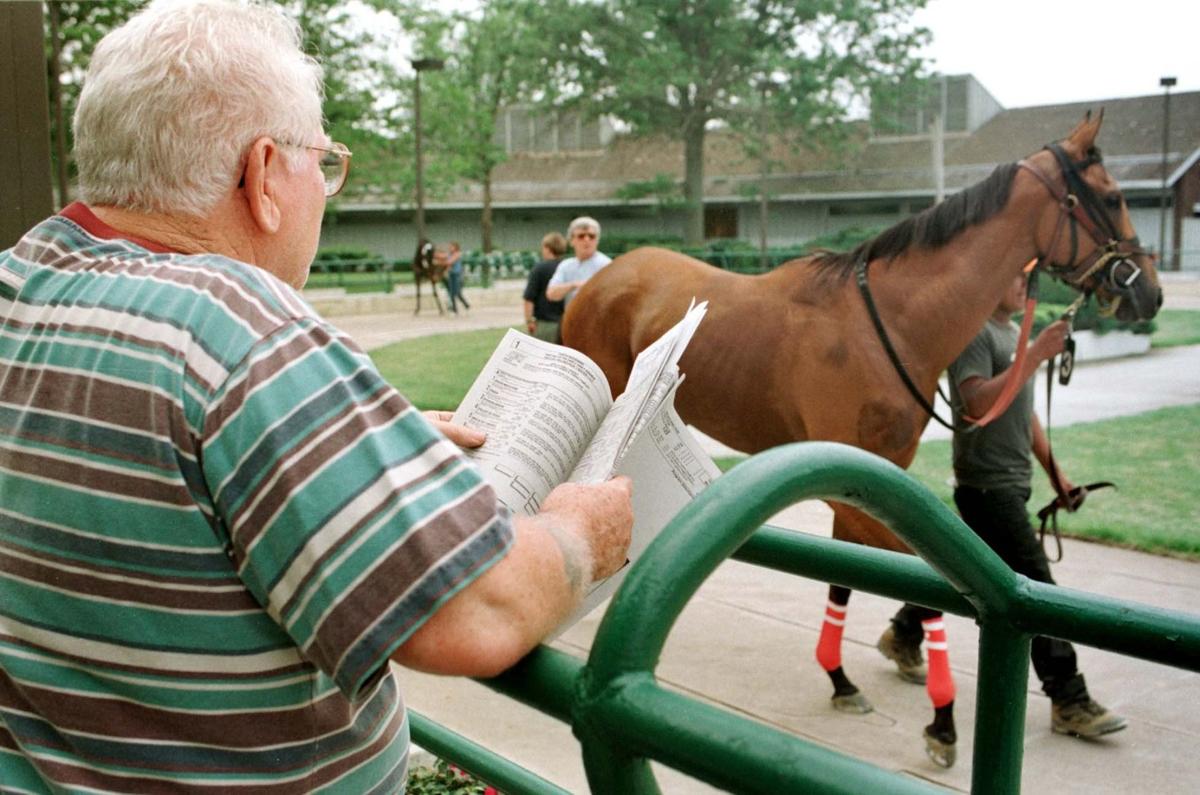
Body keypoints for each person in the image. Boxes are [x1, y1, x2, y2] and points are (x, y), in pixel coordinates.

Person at [0, 1, 633, 790]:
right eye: (323, 162)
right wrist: (580, 533)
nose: (324, 191)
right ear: (263, 175)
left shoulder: (20, 279)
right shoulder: (243, 326)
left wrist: (350, 443)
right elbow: (475, 612)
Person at [878, 274, 1127, 739]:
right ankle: (1068, 698)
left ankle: (903, 633)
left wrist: (1057, 474)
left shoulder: (1013, 334)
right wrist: (1035, 356)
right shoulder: (976, 335)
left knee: (961, 572)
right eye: (1012, 275)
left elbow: (1022, 408)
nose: (1020, 284)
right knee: (1038, 589)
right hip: (986, 488)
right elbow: (974, 403)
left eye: (1024, 277)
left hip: (1011, 486)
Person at [545, 215, 611, 307]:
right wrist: (574, 285)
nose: (587, 240)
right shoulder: (566, 265)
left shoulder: (607, 265)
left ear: (597, 240)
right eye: (581, 236)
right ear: (572, 241)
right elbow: (551, 294)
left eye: (592, 236)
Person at [523, 231, 568, 341]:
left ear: (547, 248)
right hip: (567, 324)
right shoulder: (568, 267)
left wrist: (529, 321)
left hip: (545, 324)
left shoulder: (539, 269)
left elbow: (528, 298)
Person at [444, 240, 470, 313]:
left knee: (457, 292)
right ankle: (455, 309)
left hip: (457, 275)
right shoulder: (449, 254)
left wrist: (442, 262)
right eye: (449, 246)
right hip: (451, 275)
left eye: (451, 246)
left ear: (456, 247)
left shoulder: (457, 254)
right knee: (451, 292)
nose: (450, 248)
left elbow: (450, 262)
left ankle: (466, 305)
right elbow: (442, 258)